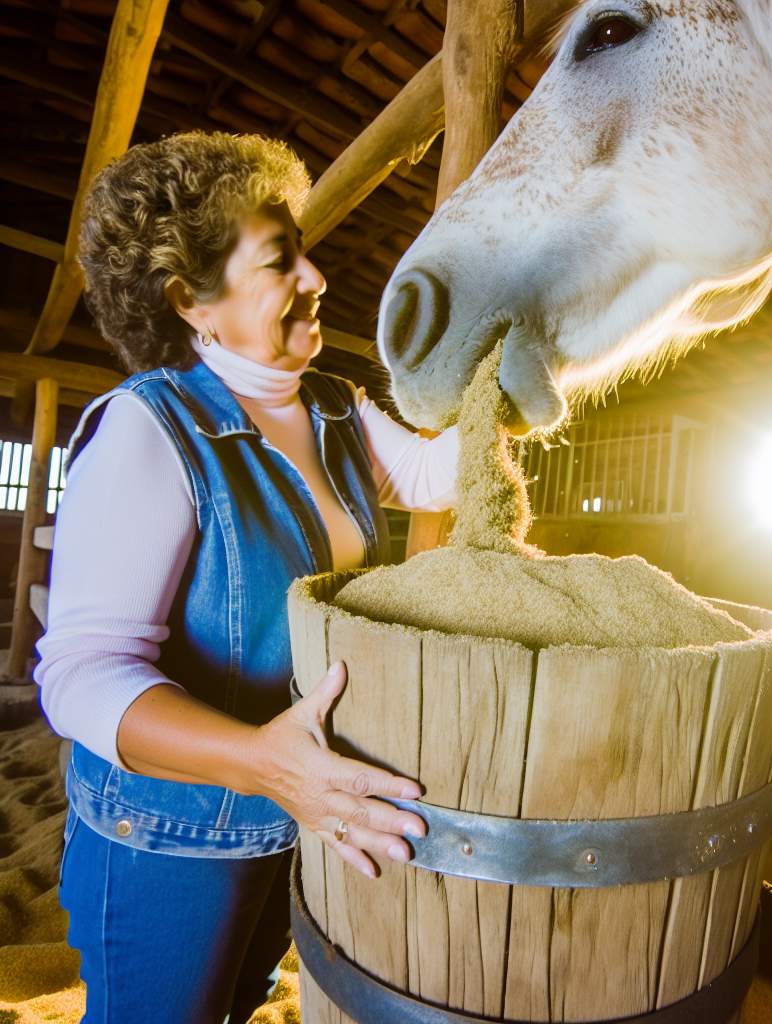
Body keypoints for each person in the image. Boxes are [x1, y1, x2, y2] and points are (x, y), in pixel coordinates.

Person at [35, 131, 456, 1023]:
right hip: (172, 832)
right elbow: (80, 676)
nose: (317, 279)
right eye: (280, 261)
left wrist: (545, 361)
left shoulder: (335, 405)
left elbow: (434, 475)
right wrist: (262, 761)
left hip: (299, 806)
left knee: (237, 1002)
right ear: (193, 300)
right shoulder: (150, 430)